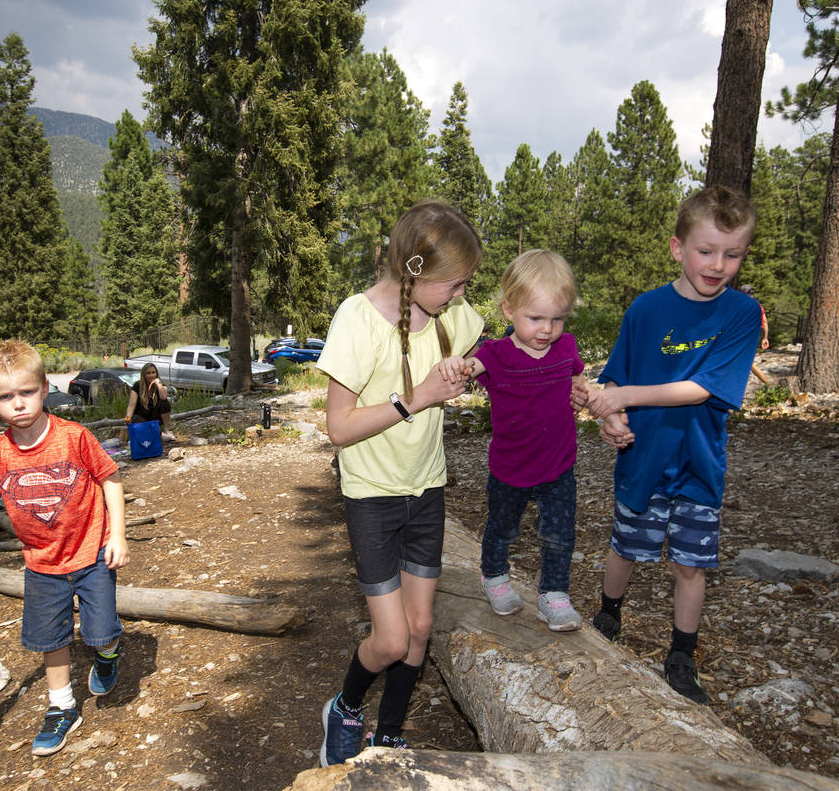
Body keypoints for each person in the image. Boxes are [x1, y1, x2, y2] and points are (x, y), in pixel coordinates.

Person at [315, 200, 483, 765]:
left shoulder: (451, 319)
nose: (460, 296)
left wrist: (467, 369)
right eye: (453, 285)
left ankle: (388, 735)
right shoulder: (357, 319)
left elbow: (482, 349)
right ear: (416, 270)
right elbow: (338, 428)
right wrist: (417, 399)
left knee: (420, 627)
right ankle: (346, 706)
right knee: (389, 640)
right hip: (372, 499)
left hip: (427, 490)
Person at [584, 185, 761, 705]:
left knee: (691, 562)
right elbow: (614, 379)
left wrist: (626, 396)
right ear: (677, 248)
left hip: (700, 463)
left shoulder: (742, 313)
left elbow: (704, 388)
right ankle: (608, 613)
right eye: (706, 251)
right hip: (643, 458)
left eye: (733, 254)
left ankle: (682, 654)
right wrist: (611, 416)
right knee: (627, 545)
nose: (718, 265)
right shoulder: (645, 310)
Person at [0, 340, 129, 755]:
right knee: (50, 640)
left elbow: (111, 479)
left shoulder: (74, 438)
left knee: (99, 634)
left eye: (26, 392)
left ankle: (109, 654)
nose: (18, 404)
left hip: (90, 556)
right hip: (42, 565)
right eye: (5, 397)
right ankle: (62, 707)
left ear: (45, 387)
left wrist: (117, 535)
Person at [436, 250, 586, 630]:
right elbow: (470, 369)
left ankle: (553, 594)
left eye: (557, 318)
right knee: (503, 527)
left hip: (558, 464)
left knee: (559, 534)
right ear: (509, 309)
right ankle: (494, 575)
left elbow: (576, 379)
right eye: (535, 318)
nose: (546, 329)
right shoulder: (497, 354)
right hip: (510, 466)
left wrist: (583, 392)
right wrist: (455, 364)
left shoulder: (566, 347)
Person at [124, 362, 174, 441]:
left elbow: (164, 397)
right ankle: (159, 435)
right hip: (141, 417)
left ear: (156, 373)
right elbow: (131, 405)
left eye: (153, 372)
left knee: (165, 403)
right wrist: (128, 417)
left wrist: (158, 383)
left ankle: (165, 429)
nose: (151, 375)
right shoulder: (137, 386)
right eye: (148, 373)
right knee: (135, 419)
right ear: (144, 374)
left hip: (155, 416)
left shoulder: (160, 384)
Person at [741, 285, 771, 384]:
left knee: (748, 363)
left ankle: (769, 384)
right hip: (753, 337)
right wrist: (765, 337)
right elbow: (765, 322)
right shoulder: (758, 305)